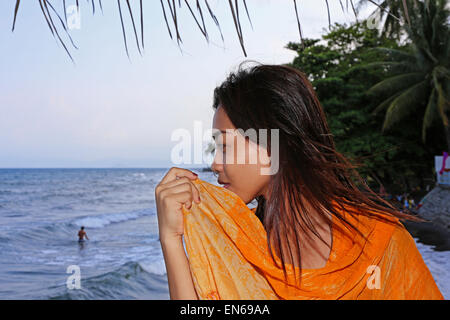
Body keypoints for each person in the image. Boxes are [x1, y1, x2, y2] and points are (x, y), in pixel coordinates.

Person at [155, 62, 443, 300]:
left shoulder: (381, 245)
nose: (215, 163)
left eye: (226, 146)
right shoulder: (238, 243)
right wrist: (170, 239)